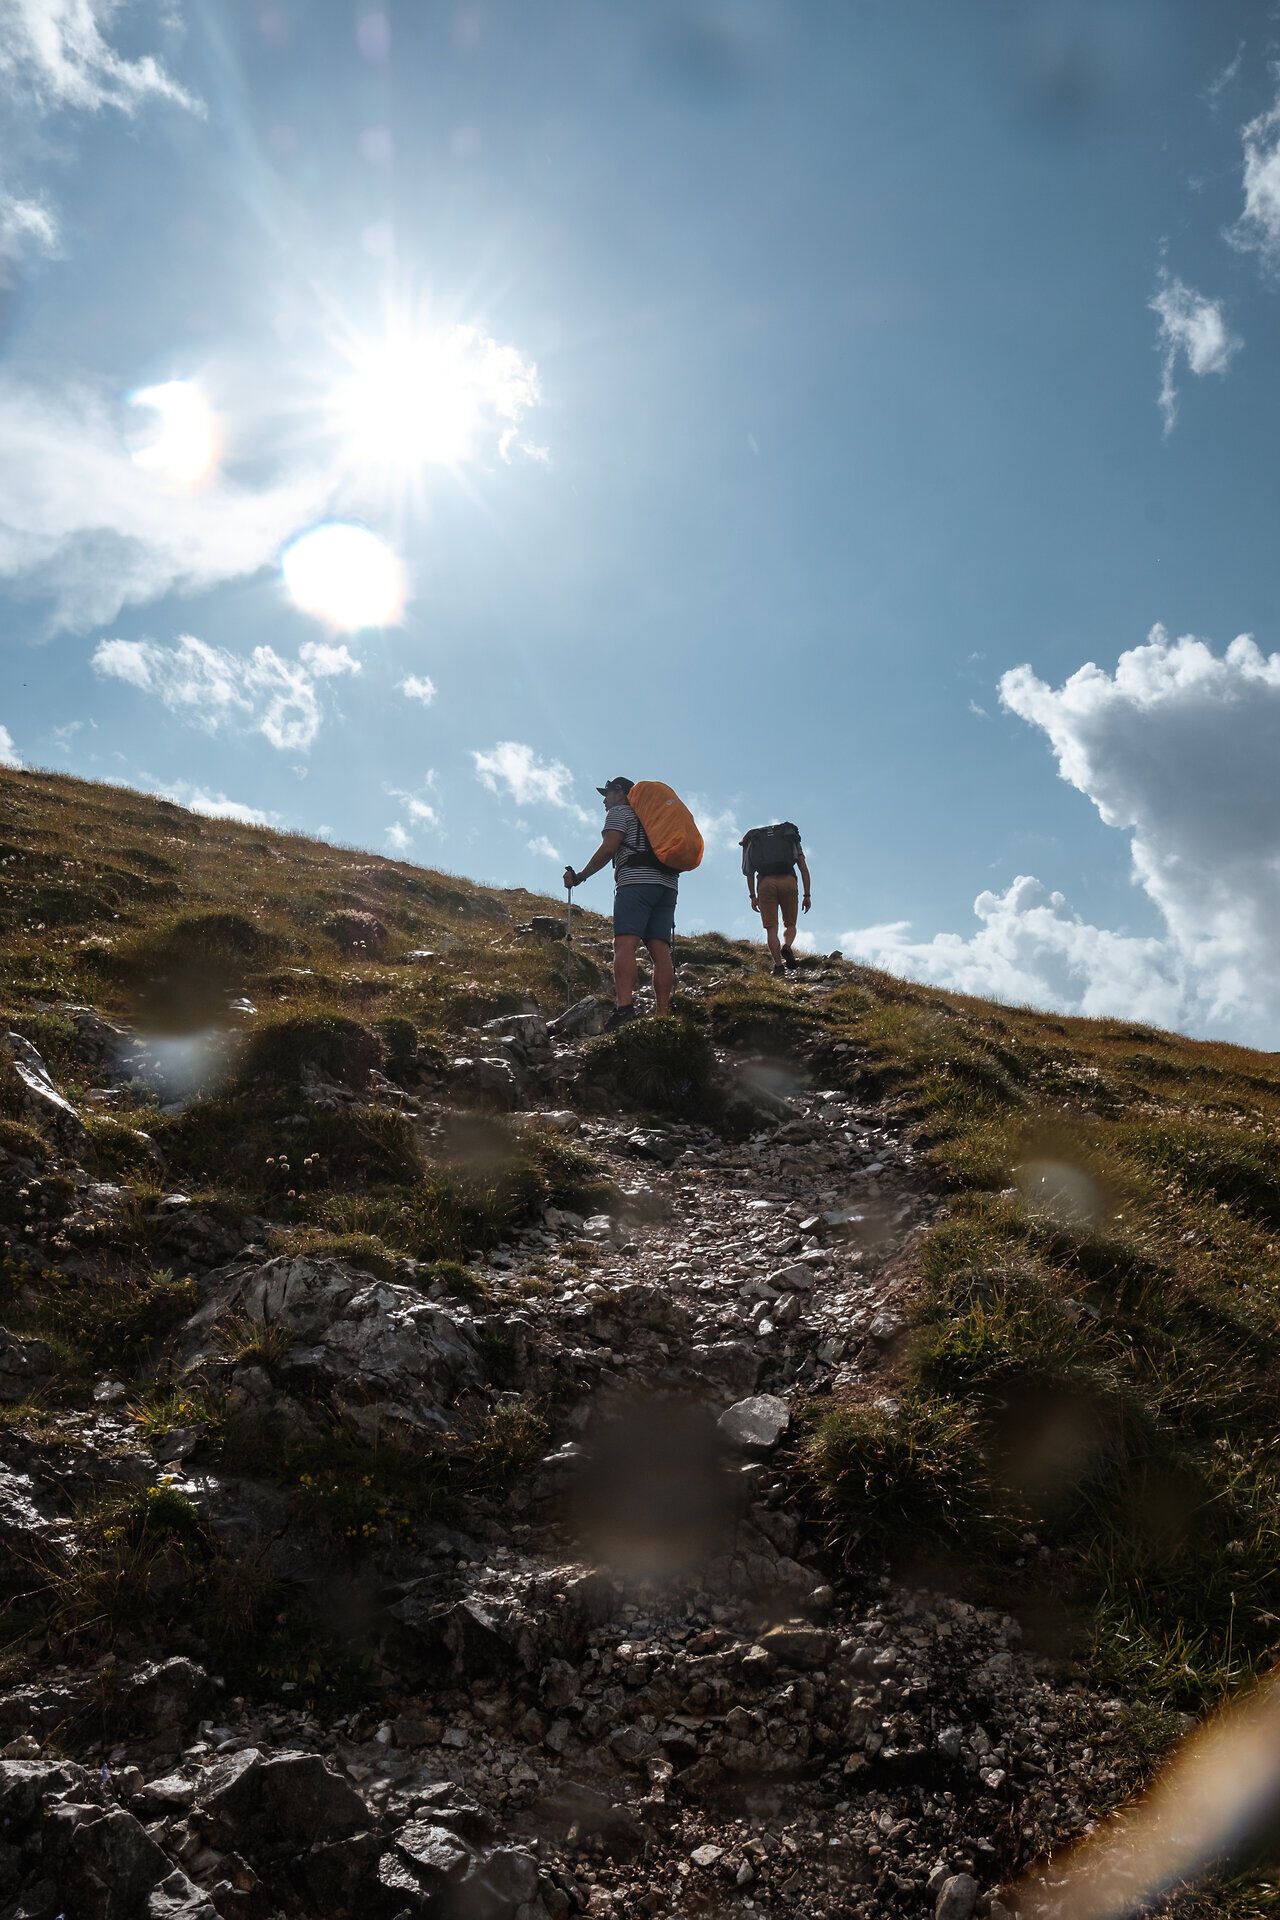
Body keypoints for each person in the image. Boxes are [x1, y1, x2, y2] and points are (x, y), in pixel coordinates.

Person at [564, 776, 676, 1030]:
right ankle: (662, 1014)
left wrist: (580, 876)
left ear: (620, 792)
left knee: (624, 944)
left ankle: (624, 1007)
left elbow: (608, 849)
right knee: (660, 950)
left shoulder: (620, 813)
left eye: (607, 794)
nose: (604, 800)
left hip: (635, 883)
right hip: (668, 885)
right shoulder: (654, 820)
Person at [740, 821, 811, 975]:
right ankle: (787, 946)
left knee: (771, 928)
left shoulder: (754, 840)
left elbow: (749, 872)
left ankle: (778, 966)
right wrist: (807, 894)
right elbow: (803, 869)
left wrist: (752, 895)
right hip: (788, 881)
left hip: (765, 883)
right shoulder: (789, 837)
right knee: (790, 924)